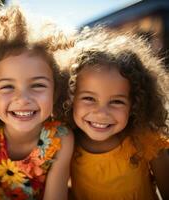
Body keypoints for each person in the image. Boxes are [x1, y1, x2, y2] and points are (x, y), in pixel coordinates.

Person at [0, 4, 74, 200]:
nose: (23, 99)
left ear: (56, 89)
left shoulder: (62, 138)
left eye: (38, 86)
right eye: (8, 87)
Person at [60, 27, 169, 200]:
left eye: (117, 101)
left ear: (135, 104)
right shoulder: (66, 143)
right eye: (89, 98)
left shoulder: (146, 139)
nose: (101, 113)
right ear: (70, 98)